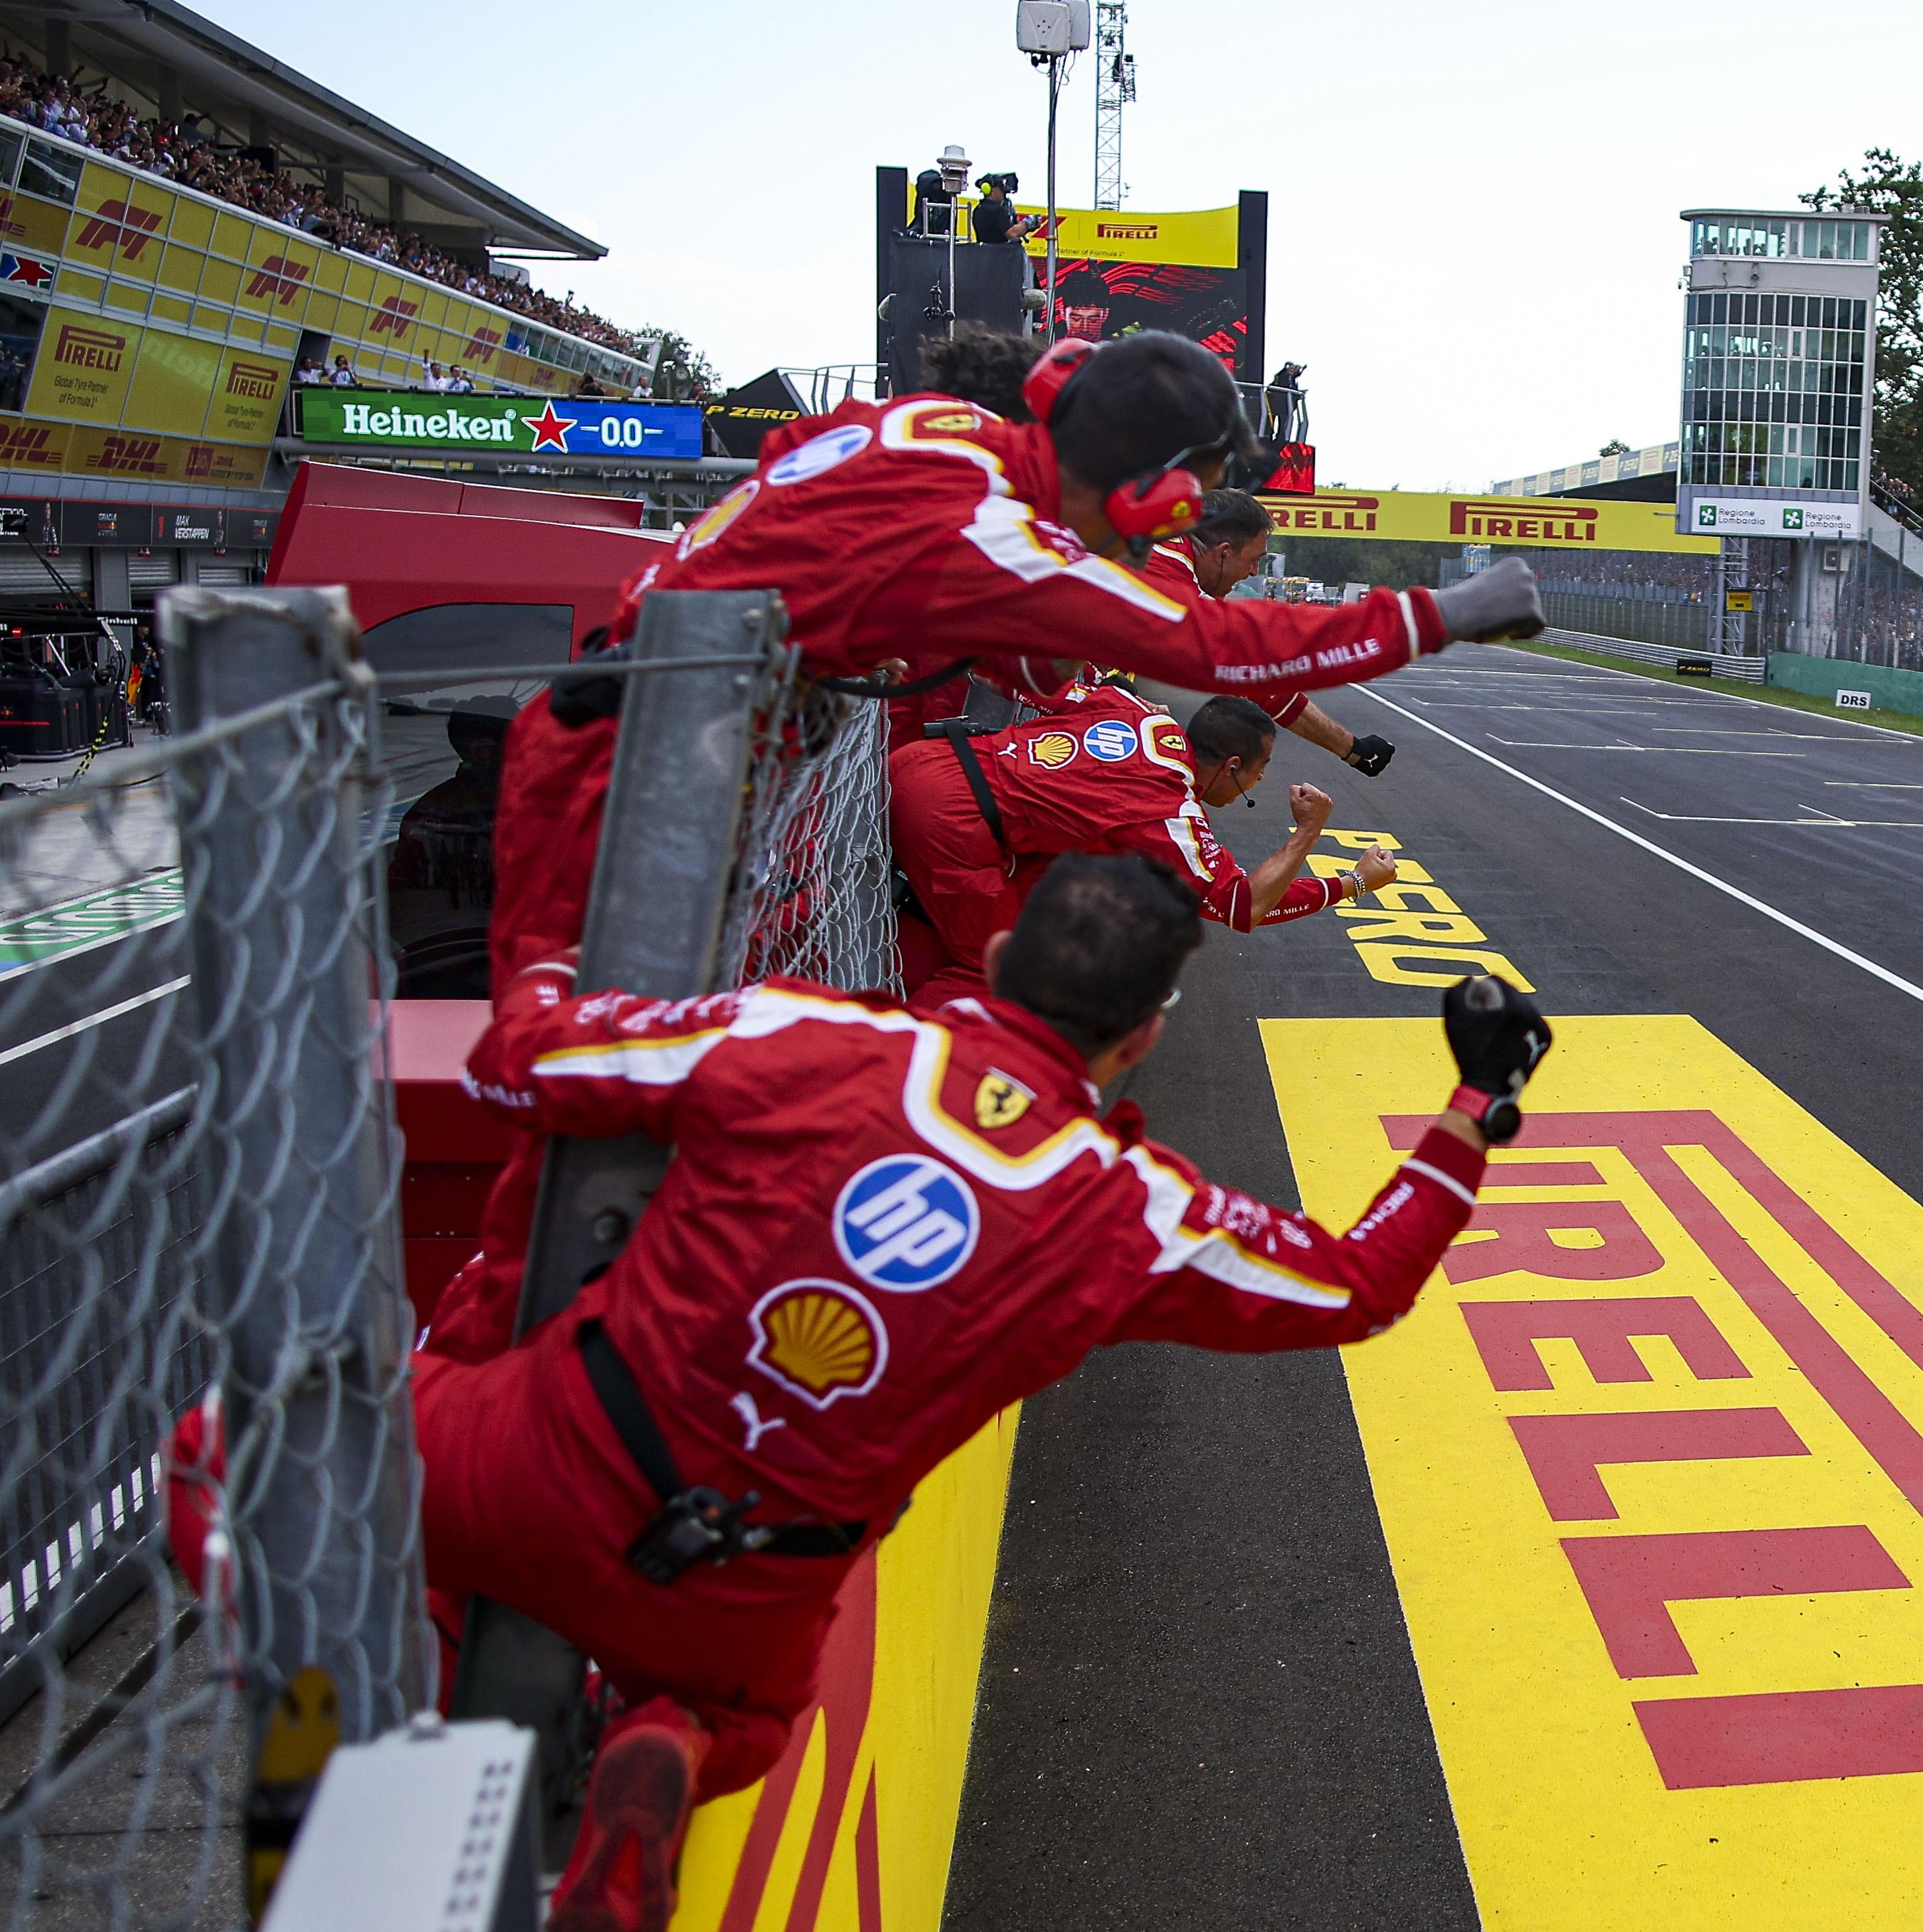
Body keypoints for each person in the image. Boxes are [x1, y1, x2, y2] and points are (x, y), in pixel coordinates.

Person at [416, 856, 1555, 1932]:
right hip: (743, 1578)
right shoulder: (1130, 1213)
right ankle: (672, 1732)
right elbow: (1357, 1284)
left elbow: (518, 1065)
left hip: (544, 1445)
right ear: (1141, 1037)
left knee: (305, 1448)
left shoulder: (808, 1033)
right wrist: (1475, 1103)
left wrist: (546, 969)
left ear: (1003, 952)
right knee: (752, 1720)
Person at [428, 331, 1539, 1360]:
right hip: (647, 785)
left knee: (600, 1070)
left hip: (667, 743)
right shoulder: (1010, 546)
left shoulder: (935, 434)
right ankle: (485, 1355)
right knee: (560, 1107)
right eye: (1155, 525)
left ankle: (496, 1359)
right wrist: (1448, 613)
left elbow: (806, 489)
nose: (1140, 549)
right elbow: (1215, 653)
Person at [885, 683, 1404, 997]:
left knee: (1043, 898)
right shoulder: (1169, 812)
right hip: (951, 823)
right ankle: (905, 1094)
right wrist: (1331, 856)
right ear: (1232, 767)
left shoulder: (1133, 706)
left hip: (925, 760)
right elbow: (1243, 906)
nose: (1264, 781)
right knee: (999, 976)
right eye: (1262, 770)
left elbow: (1040, 686)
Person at [1142, 489, 1395, 776]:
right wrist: (1352, 749)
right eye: (1254, 560)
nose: (1253, 573)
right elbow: (1259, 674)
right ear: (1224, 553)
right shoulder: (1170, 573)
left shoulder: (1164, 549)